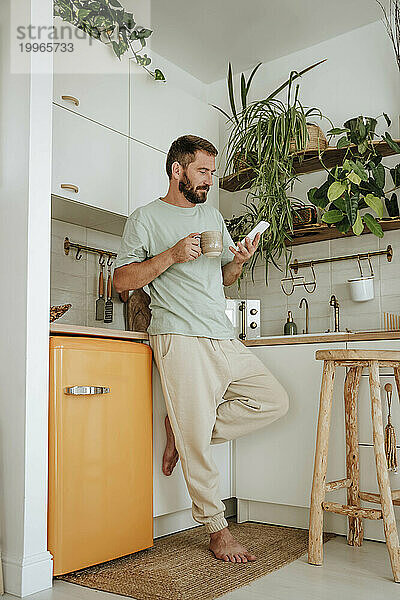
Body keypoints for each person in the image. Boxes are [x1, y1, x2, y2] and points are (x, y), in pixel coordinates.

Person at [113, 135, 289, 564]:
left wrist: (240, 259)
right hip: (178, 335)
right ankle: (216, 529)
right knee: (197, 439)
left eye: (212, 171)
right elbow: (121, 281)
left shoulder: (211, 214)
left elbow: (224, 278)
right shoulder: (145, 219)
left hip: (222, 333)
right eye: (203, 171)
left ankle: (183, 429)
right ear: (178, 170)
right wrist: (171, 255)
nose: (210, 179)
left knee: (273, 400)